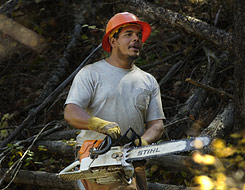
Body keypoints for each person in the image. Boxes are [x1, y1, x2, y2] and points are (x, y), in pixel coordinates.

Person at [64, 12, 165, 190]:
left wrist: (143, 141)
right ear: (113, 41)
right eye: (129, 35)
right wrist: (98, 124)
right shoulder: (91, 73)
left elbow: (157, 124)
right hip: (98, 158)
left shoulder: (148, 80)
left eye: (139, 36)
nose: (136, 39)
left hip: (133, 159)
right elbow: (71, 112)